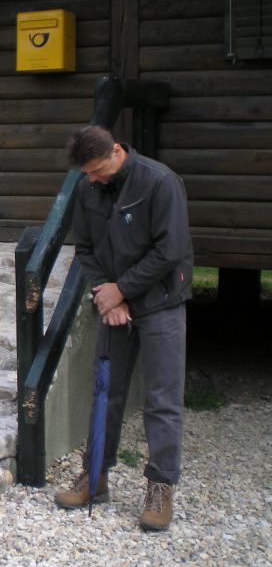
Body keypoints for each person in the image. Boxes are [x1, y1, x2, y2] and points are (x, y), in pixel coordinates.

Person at [55, 125, 194, 532]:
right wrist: (105, 294)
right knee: (105, 394)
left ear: (117, 151)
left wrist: (124, 292)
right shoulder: (87, 188)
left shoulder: (161, 182)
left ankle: (160, 488)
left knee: (162, 399)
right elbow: (85, 249)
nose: (94, 179)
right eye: (88, 174)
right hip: (113, 306)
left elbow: (171, 250)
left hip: (161, 304)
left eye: (98, 170)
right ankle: (94, 476)